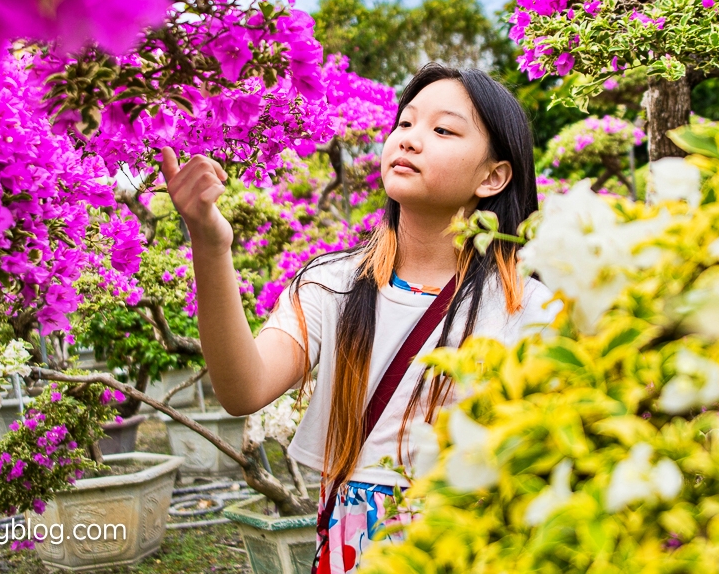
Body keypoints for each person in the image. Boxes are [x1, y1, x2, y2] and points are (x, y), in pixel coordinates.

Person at [160, 63, 561, 573]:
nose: (411, 140)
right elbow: (243, 390)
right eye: (406, 123)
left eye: (442, 130)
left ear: (493, 176)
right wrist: (210, 246)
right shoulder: (333, 285)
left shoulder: (530, 308)